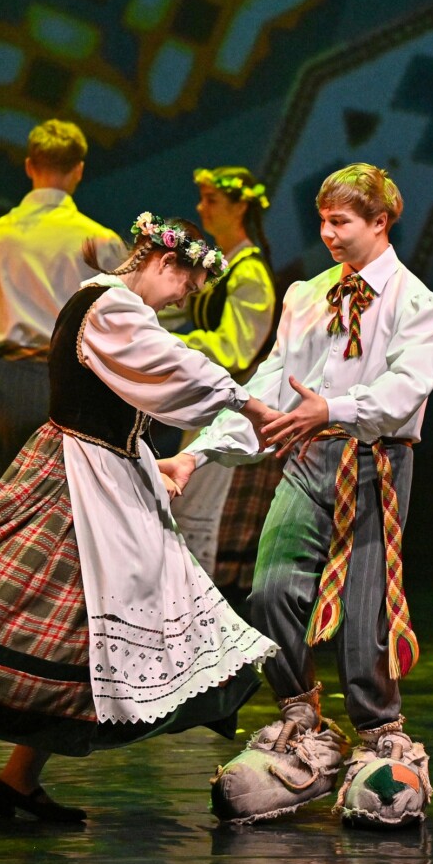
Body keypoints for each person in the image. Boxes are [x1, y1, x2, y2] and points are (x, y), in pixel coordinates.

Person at [0, 215, 278, 821]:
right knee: (43, 604)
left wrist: (152, 460)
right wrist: (247, 402)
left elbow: (131, 394)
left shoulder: (110, 305)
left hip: (108, 469)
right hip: (79, 477)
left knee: (83, 630)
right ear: (165, 262)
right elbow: (173, 368)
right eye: (186, 284)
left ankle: (19, 777)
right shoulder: (112, 306)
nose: (184, 298)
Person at [161, 163, 433, 828]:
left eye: (340, 221)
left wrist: (334, 408)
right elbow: (268, 388)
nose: (327, 234)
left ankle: (379, 732)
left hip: (375, 461)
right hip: (308, 456)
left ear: (380, 221)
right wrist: (197, 452)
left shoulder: (419, 305)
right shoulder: (306, 296)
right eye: (322, 220)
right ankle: (300, 715)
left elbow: (405, 391)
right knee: (270, 590)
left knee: (366, 609)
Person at [0, 119, 125, 513]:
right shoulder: (100, 241)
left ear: (28, 166)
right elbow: (122, 321)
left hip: (8, 381)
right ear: (79, 170)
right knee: (66, 505)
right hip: (76, 381)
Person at [164, 166, 279, 593]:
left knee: (201, 509)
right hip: (209, 402)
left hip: (235, 408)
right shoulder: (222, 268)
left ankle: (205, 605)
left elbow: (236, 348)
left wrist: (169, 344)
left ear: (239, 207)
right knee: (188, 504)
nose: (201, 208)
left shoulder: (250, 272)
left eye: (211, 200)